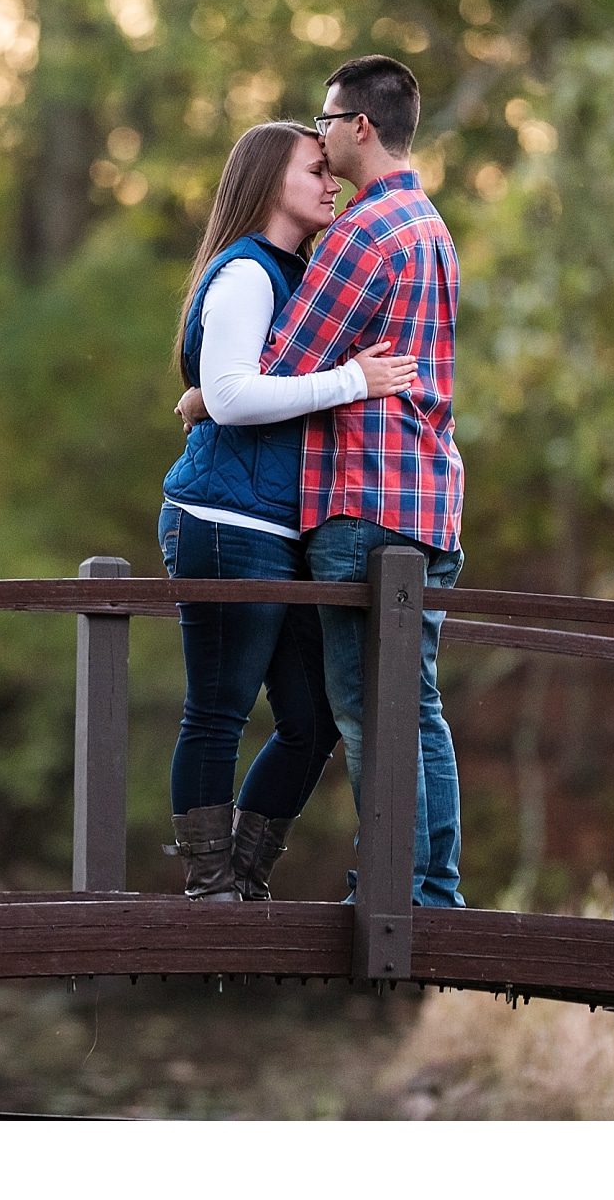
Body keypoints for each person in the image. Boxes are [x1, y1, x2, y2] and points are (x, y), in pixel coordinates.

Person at [178, 56, 467, 907]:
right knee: (413, 703)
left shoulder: (357, 238)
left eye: (326, 123)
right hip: (430, 502)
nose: (324, 138)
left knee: (367, 712)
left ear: (358, 127)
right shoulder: (431, 227)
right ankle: (430, 883)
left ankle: (402, 888)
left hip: (364, 504)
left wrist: (199, 395)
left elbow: (270, 370)